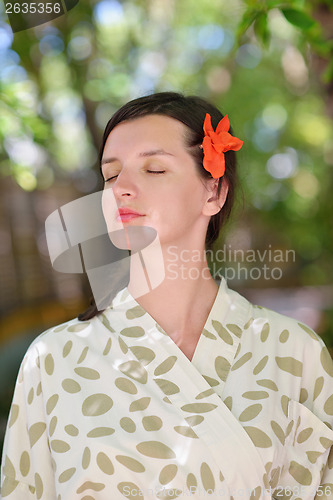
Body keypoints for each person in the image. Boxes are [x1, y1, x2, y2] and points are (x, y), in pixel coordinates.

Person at [1, 92, 332, 500]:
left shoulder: (295, 352)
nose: (121, 188)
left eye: (154, 169)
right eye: (110, 175)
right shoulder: (52, 361)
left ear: (214, 193)